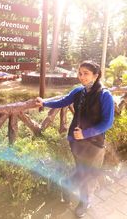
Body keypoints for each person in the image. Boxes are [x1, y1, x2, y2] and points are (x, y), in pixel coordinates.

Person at [36, 60, 114, 218]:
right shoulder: (79, 91)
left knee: (87, 174)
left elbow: (108, 122)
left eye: (86, 73)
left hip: (94, 144)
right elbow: (63, 101)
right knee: (80, 169)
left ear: (96, 75)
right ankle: (71, 186)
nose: (82, 76)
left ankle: (85, 202)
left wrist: (86, 133)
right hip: (76, 141)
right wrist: (44, 102)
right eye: (80, 73)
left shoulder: (105, 95)